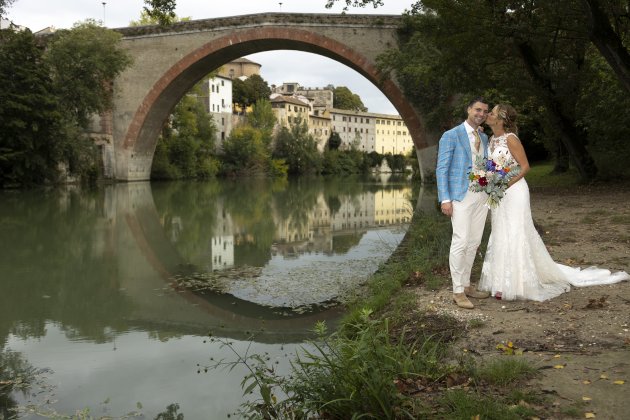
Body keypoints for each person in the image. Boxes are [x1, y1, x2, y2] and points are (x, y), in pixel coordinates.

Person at [479, 104, 630, 301]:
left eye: (492, 113)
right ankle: (500, 283)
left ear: (501, 119)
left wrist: (504, 184)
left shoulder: (511, 139)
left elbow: (524, 167)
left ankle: (518, 284)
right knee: (500, 232)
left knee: (516, 232)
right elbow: (494, 166)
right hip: (499, 193)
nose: (488, 115)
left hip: (514, 191)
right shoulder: (492, 139)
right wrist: (491, 181)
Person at [436, 97, 492, 309]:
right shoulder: (451, 135)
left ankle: (467, 285)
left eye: (485, 111)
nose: (481, 114)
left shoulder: (484, 137)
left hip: (481, 195)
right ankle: (457, 291)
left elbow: (485, 165)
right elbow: (442, 168)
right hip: (460, 195)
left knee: (474, 241)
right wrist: (445, 199)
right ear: (469, 110)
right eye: (478, 109)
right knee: (460, 241)